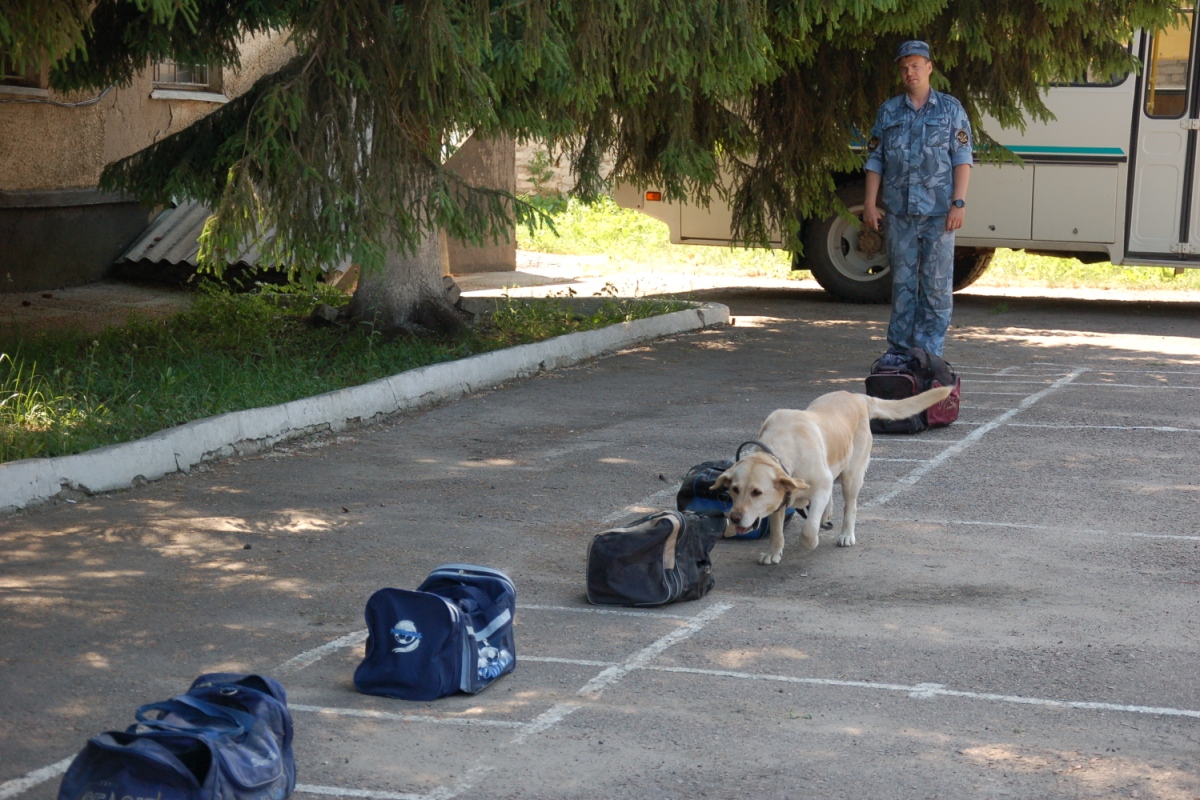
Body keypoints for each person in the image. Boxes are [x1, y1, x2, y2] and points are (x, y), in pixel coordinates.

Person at [863, 40, 972, 363]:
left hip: (940, 214)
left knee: (937, 288)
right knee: (903, 285)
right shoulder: (889, 111)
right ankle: (899, 352)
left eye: (915, 66)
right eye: (904, 67)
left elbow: (962, 158)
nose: (910, 72)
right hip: (899, 214)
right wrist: (870, 203)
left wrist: (959, 203)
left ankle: (929, 354)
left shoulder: (950, 110)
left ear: (929, 68)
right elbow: (875, 159)